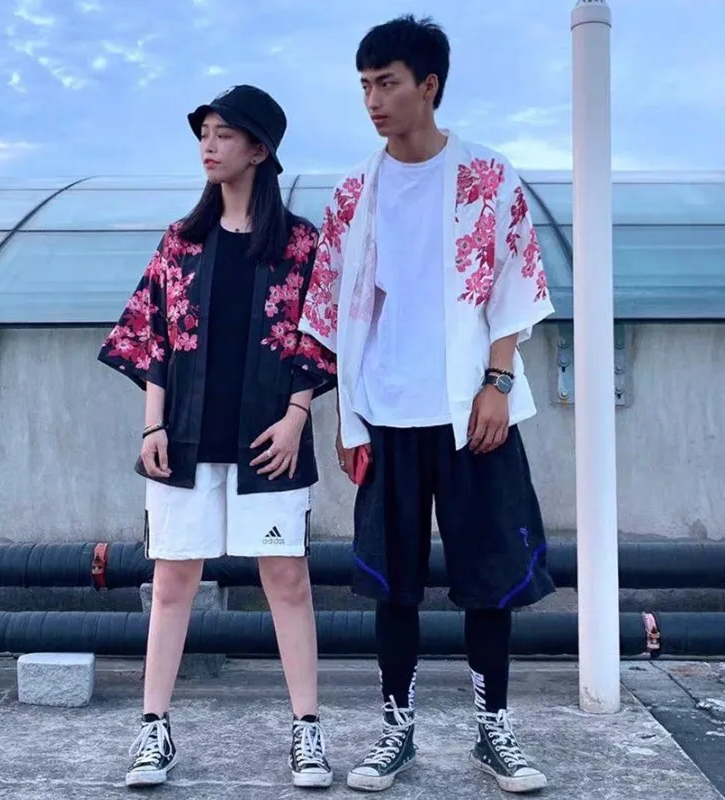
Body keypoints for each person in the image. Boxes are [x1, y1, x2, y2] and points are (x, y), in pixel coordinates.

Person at [293, 16, 555, 795]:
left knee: (489, 578)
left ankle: (493, 731)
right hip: (386, 412)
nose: (374, 100)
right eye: (365, 85)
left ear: (429, 86)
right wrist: (346, 418)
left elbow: (515, 286)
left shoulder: (487, 177)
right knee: (392, 583)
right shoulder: (354, 193)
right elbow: (333, 310)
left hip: (472, 409)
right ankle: (395, 732)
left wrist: (497, 384)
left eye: (388, 83)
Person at [98, 84, 334, 791]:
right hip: (186, 438)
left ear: (259, 150)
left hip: (270, 440)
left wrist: (297, 416)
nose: (208, 144)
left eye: (224, 134)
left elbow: (318, 334)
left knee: (286, 579)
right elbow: (153, 339)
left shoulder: (300, 244)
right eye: (204, 132)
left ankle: (307, 730)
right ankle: (153, 729)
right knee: (174, 580)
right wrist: (152, 426)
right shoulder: (182, 240)